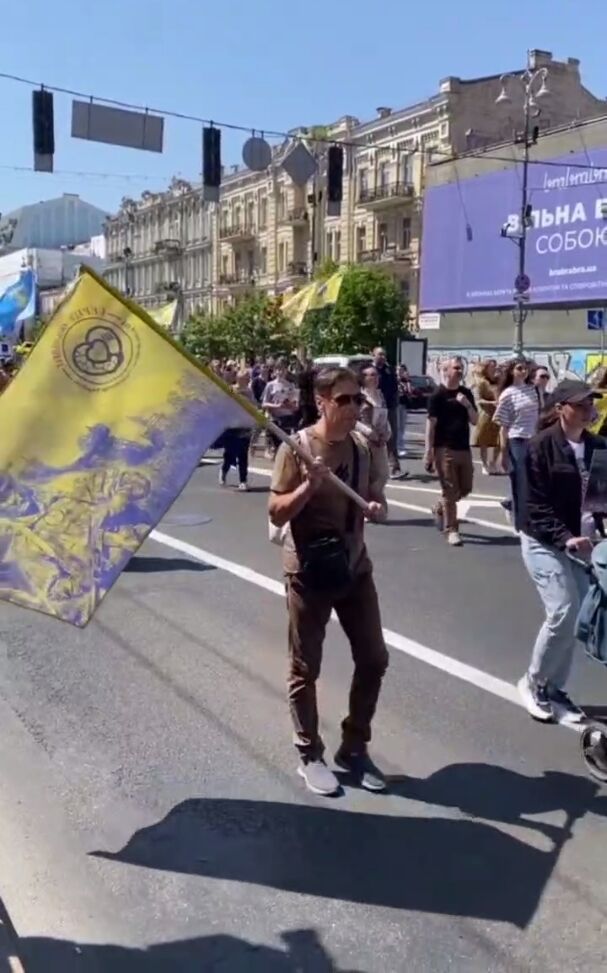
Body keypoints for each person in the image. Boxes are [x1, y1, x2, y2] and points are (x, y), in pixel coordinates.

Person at [269, 367, 389, 797]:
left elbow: (379, 499)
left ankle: (354, 748)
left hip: (355, 566)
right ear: (321, 401)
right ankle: (309, 753)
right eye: (344, 399)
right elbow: (276, 512)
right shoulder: (296, 447)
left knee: (374, 659)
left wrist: (377, 506)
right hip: (309, 572)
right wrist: (308, 486)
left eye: (358, 399)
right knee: (306, 668)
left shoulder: (361, 446)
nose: (354, 407)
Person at [519, 379, 606, 724]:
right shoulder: (539, 447)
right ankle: (534, 682)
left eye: (590, 404)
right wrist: (565, 536)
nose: (588, 410)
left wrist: (598, 533)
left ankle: (555, 688)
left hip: (582, 543)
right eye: (581, 404)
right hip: (544, 540)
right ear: (560, 409)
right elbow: (534, 506)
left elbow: (600, 501)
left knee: (581, 615)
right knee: (563, 610)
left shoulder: (599, 446)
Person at [425, 356, 478, 547]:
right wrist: (428, 451)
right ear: (445, 371)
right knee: (449, 490)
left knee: (466, 488)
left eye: (460, 367)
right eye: (455, 367)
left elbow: (475, 420)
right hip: (444, 448)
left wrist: (467, 404)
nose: (459, 370)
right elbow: (431, 426)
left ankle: (440, 508)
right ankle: (451, 530)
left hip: (463, 447)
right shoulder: (437, 395)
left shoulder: (465, 393)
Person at [494, 359, 539, 531]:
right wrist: (503, 453)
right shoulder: (508, 394)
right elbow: (503, 428)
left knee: (534, 482)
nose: (524, 371)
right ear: (512, 371)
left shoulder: (532, 390)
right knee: (520, 483)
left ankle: (525, 516)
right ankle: (520, 524)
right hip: (517, 440)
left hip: (533, 440)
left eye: (526, 368)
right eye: (519, 368)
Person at [372, 347, 406, 479]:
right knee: (374, 437)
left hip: (390, 407)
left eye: (384, 354)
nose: (382, 357)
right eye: (379, 354)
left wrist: (395, 401)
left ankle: (394, 468)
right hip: (375, 407)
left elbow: (394, 387)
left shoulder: (388, 370)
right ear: (373, 355)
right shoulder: (370, 371)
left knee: (391, 436)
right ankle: (375, 468)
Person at [219, 369, 255, 491]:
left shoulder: (249, 392)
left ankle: (243, 481)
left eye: (248, 378)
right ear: (239, 379)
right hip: (232, 427)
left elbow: (254, 406)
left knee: (243, 455)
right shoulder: (231, 390)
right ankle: (224, 470)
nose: (247, 379)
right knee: (230, 454)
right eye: (245, 377)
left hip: (244, 427)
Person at [357, 365, 391, 488]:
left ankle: (376, 498)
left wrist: (387, 432)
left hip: (380, 440)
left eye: (375, 375)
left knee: (383, 475)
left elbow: (384, 416)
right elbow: (354, 420)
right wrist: (369, 432)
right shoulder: (359, 397)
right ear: (363, 378)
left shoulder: (380, 396)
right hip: (363, 440)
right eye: (370, 375)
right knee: (366, 476)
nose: (374, 378)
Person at [262, 357, 300, 457]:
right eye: (278, 369)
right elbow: (264, 404)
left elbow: (295, 406)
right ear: (275, 371)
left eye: (283, 369)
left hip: (287, 419)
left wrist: (289, 405)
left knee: (284, 448)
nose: (281, 372)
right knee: (276, 446)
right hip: (274, 419)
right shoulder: (270, 385)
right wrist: (276, 405)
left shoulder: (291, 386)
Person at [472, 359, 500, 475]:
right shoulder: (481, 382)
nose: (494, 368)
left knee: (498, 440)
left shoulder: (497, 381)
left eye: (495, 366)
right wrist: (492, 403)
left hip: (498, 414)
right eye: (492, 366)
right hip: (485, 414)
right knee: (484, 441)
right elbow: (478, 400)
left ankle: (493, 463)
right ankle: (484, 464)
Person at [397, 364, 411, 458]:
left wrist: (407, 381)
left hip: (403, 404)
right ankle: (399, 447)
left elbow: (409, 392)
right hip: (396, 405)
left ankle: (401, 446)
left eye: (402, 370)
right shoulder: (394, 380)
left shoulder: (405, 381)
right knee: (397, 427)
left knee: (402, 426)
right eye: (398, 370)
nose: (399, 372)